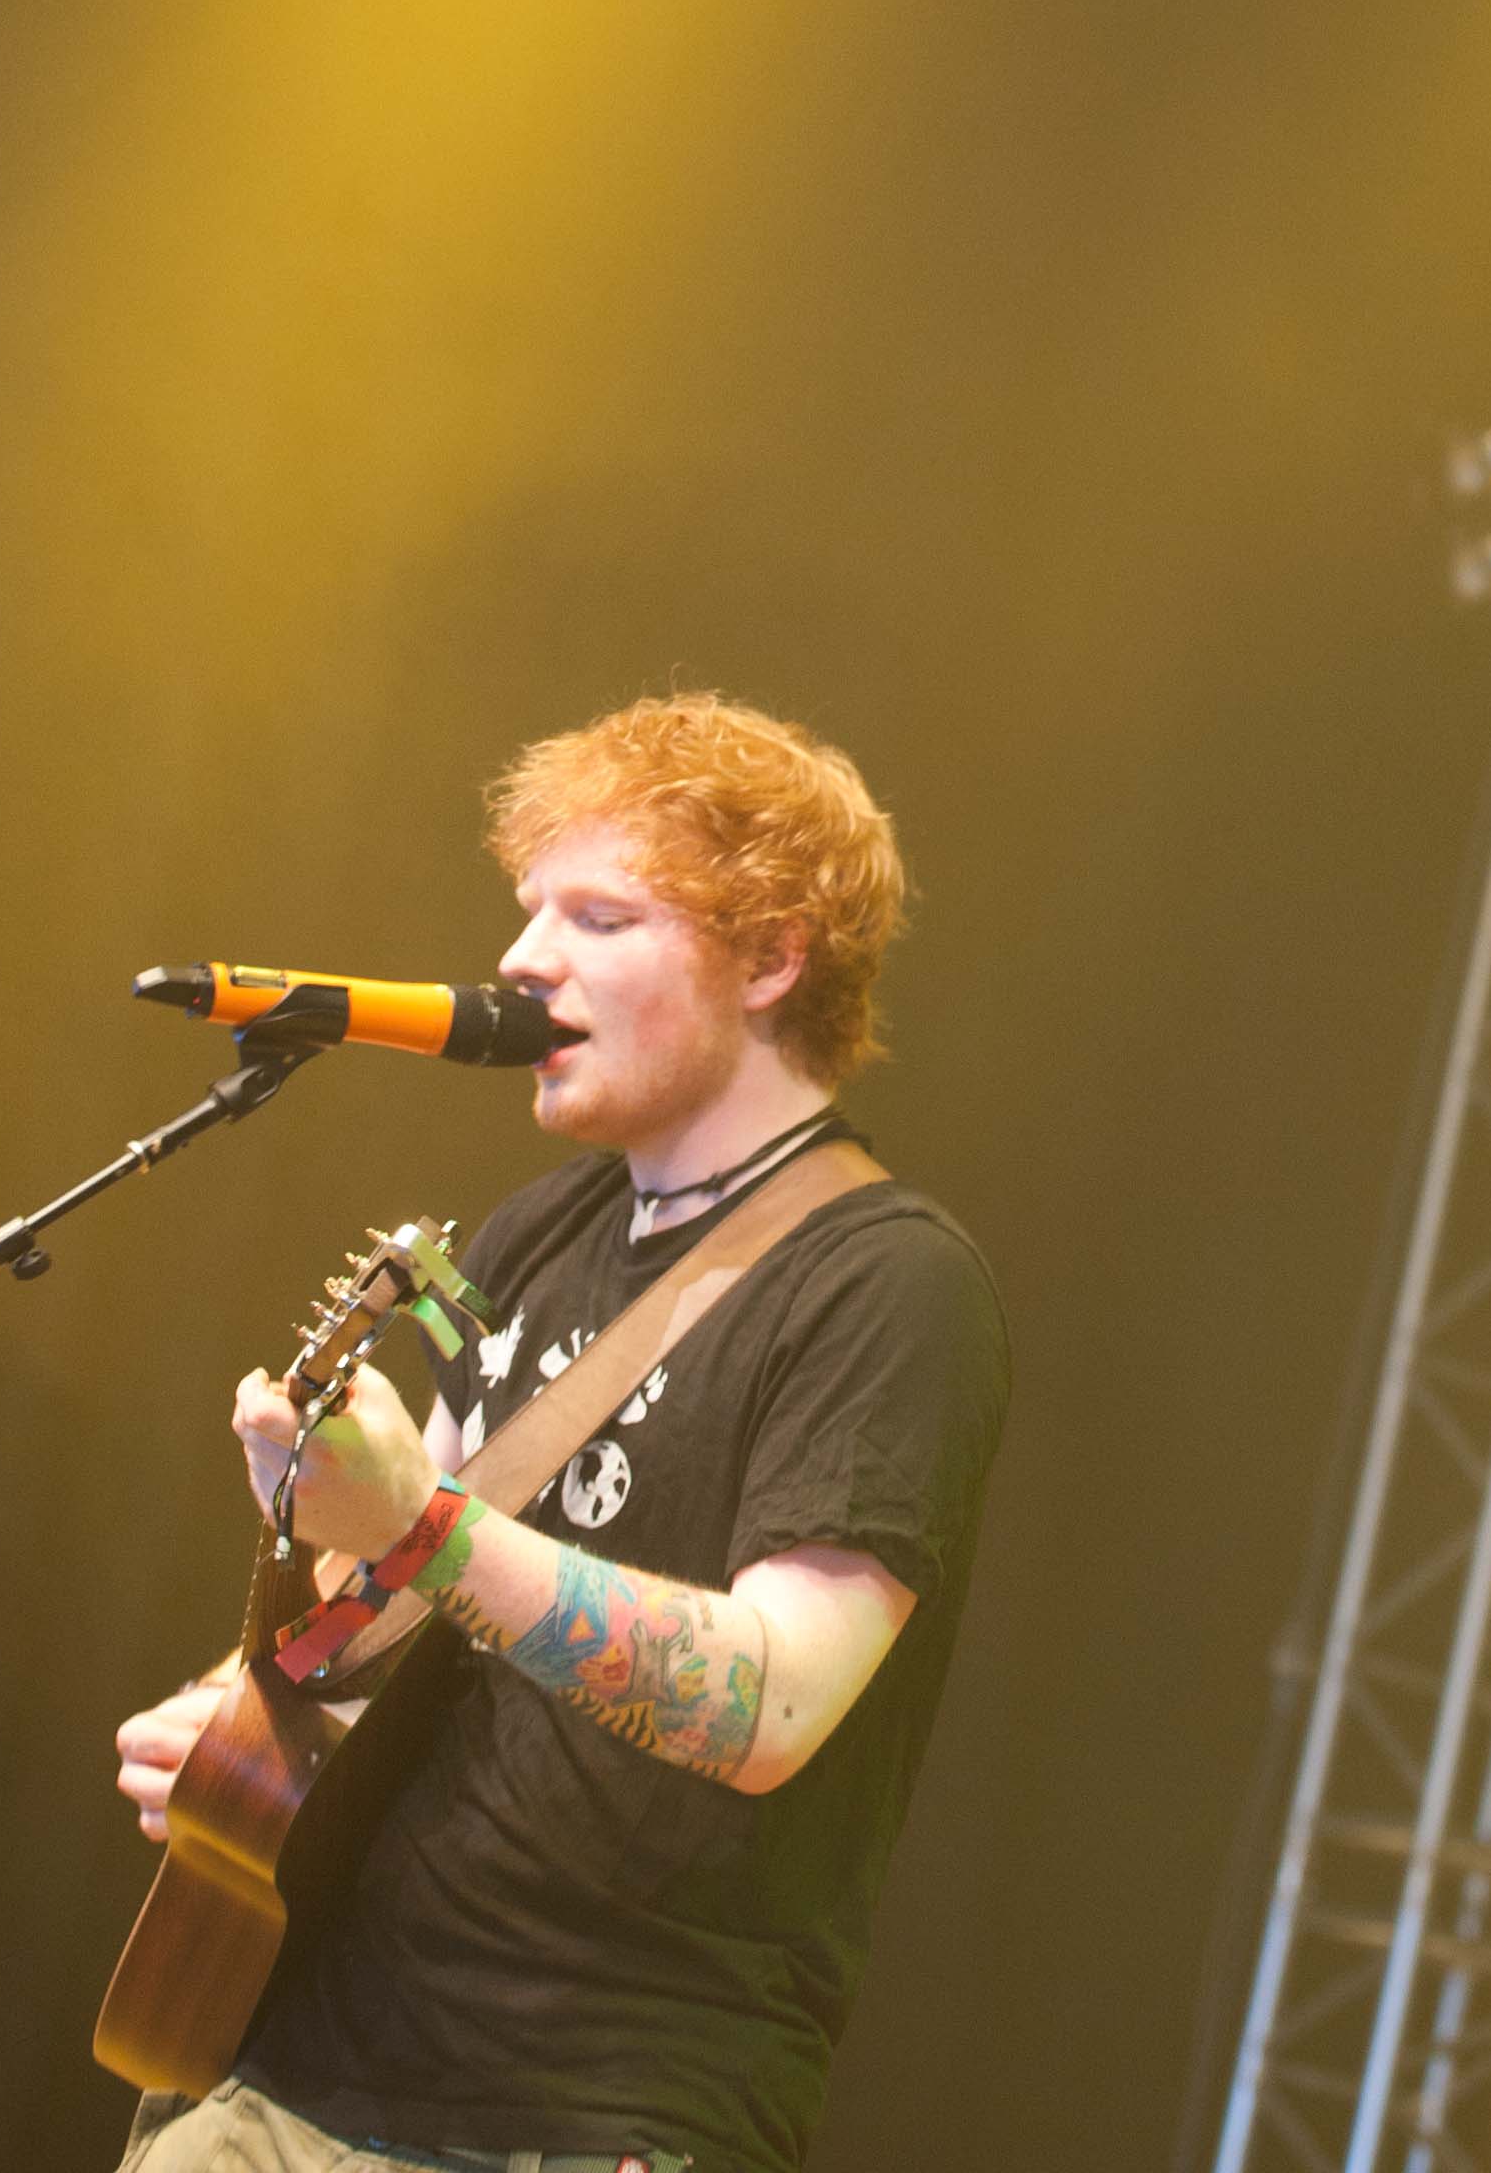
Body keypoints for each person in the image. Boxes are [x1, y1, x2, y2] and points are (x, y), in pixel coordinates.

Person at [113, 692, 1010, 2173]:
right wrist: (244, 1716)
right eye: (532, 910)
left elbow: (771, 1707)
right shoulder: (538, 1232)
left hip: (574, 2118)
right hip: (290, 2059)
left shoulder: (890, 1284)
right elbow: (405, 1605)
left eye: (599, 918)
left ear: (772, 959)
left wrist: (420, 1524)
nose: (525, 958)